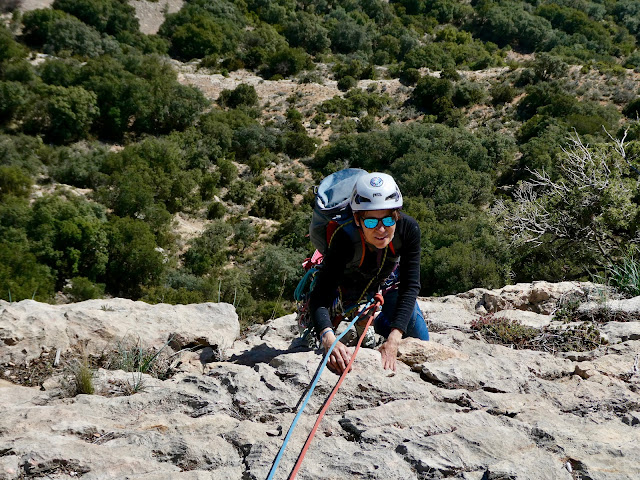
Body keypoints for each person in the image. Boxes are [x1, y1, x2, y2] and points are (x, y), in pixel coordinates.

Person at [309, 172, 429, 374]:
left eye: (388, 220)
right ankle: (359, 313)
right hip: (346, 285)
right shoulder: (344, 238)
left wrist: (394, 338)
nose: (381, 230)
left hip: (386, 280)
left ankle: (374, 320)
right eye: (371, 222)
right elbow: (319, 296)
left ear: (396, 215)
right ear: (357, 219)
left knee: (420, 340)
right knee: (318, 331)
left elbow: (410, 285)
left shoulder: (408, 229)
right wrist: (329, 339)